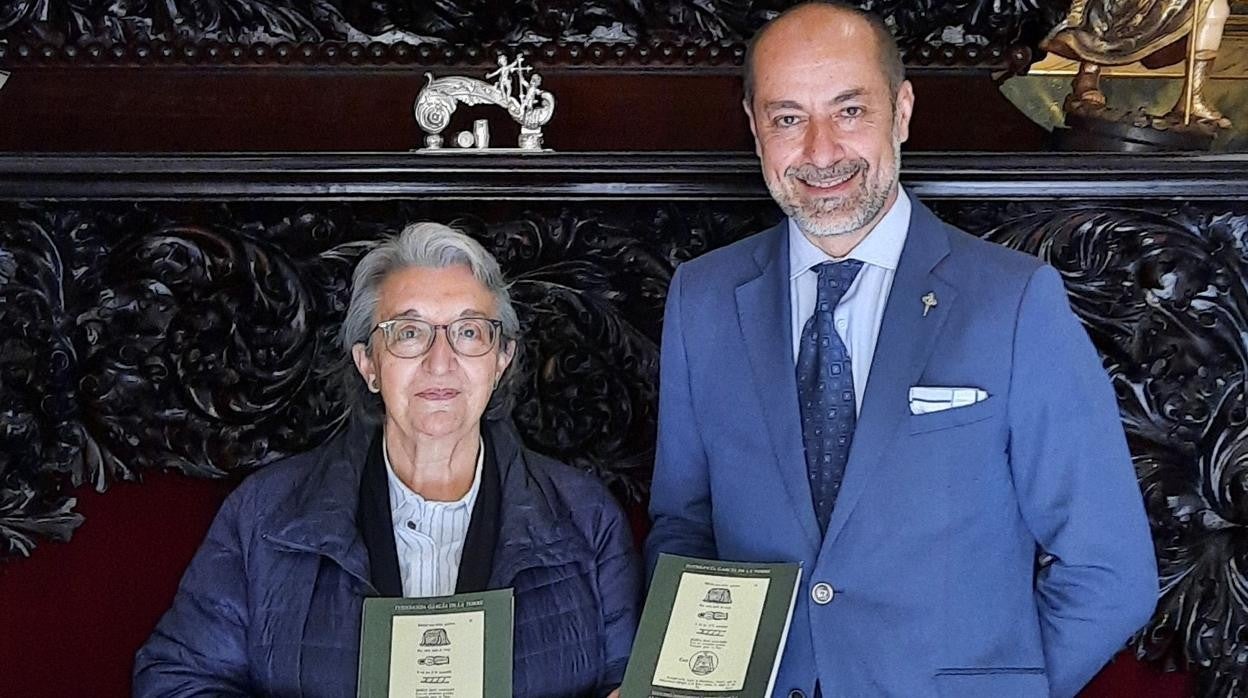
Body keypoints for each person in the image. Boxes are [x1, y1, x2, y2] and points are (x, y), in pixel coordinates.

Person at [644, 3, 1158, 697]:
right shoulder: (701, 298)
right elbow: (684, 526)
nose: (821, 151)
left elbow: (1109, 571)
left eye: (850, 110)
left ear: (903, 110)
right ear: (755, 126)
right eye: (788, 118)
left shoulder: (1014, 303)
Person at [134, 223, 640, 697]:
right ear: (369, 365)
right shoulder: (266, 515)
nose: (440, 362)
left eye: (468, 332)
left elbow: (631, 682)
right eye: (408, 332)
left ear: (500, 360)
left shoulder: (586, 519)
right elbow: (177, 680)